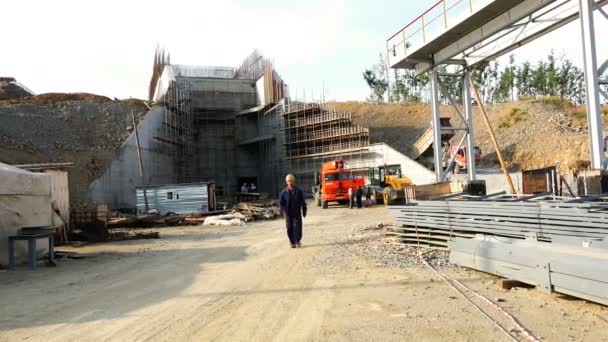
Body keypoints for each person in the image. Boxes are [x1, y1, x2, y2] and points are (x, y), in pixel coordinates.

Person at [279, 174, 307, 248]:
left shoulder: (299, 191)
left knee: (297, 227)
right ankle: (292, 242)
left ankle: (297, 241)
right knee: (289, 228)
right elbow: (281, 203)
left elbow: (303, 202)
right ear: (286, 182)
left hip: (296, 213)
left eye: (291, 181)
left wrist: (304, 210)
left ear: (294, 181)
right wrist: (281, 211)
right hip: (288, 214)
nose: (290, 183)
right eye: (289, 181)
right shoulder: (283, 193)